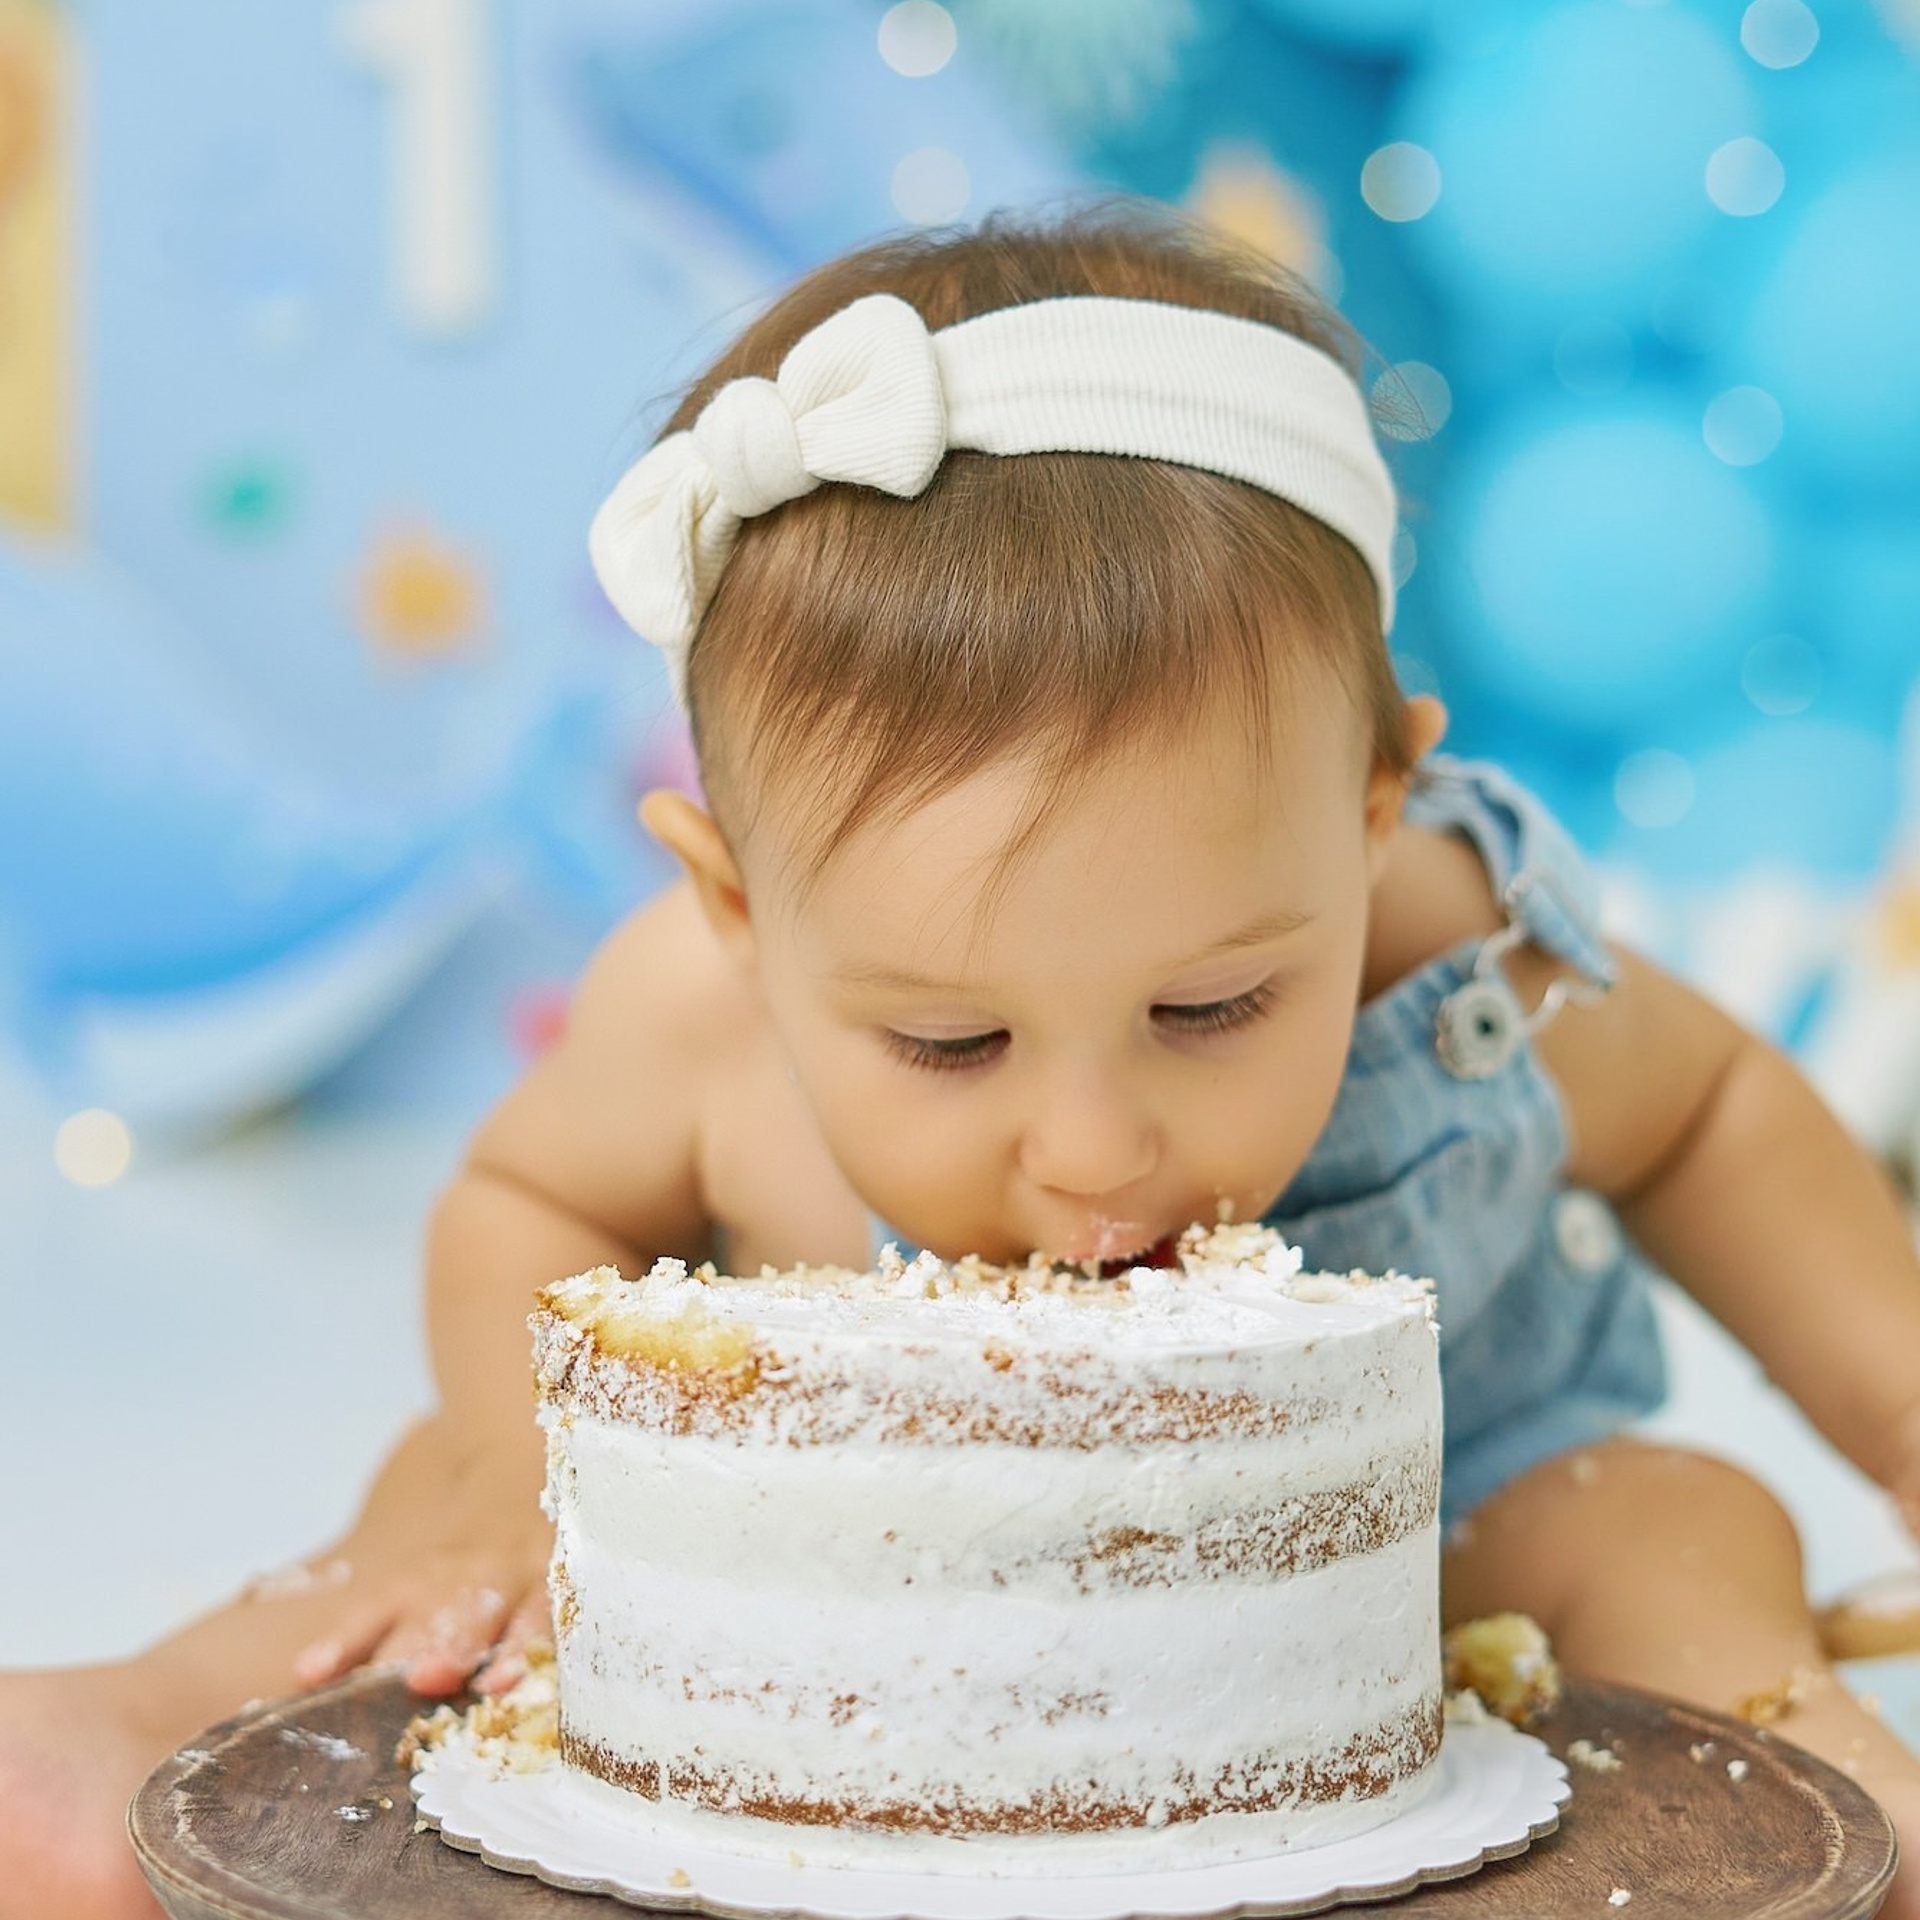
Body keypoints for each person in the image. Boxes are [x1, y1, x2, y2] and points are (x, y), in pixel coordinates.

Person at [5, 201, 1918, 1918]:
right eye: (948, 1039)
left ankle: (1834, 1809)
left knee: (1660, 1523)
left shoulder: (1461, 957)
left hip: (1430, 1542)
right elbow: (524, 1198)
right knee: (460, 1495)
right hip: (826, 1588)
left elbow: (1714, 1112)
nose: (1094, 1148)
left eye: (1212, 1009)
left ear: (1370, 812)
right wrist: (524, 1476)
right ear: (741, 907)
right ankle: (146, 1726)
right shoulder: (699, 1013)